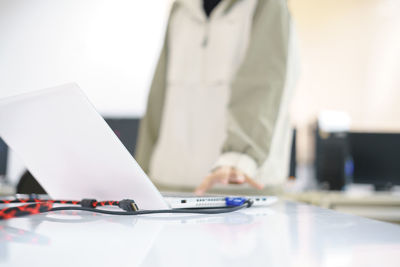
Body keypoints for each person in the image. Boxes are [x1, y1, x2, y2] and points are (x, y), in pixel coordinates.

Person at [136, 0, 298, 195]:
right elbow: (160, 94)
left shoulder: (266, 5)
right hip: (169, 184)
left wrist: (239, 159)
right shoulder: (181, 8)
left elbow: (264, 86)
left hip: (239, 187)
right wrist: (140, 169)